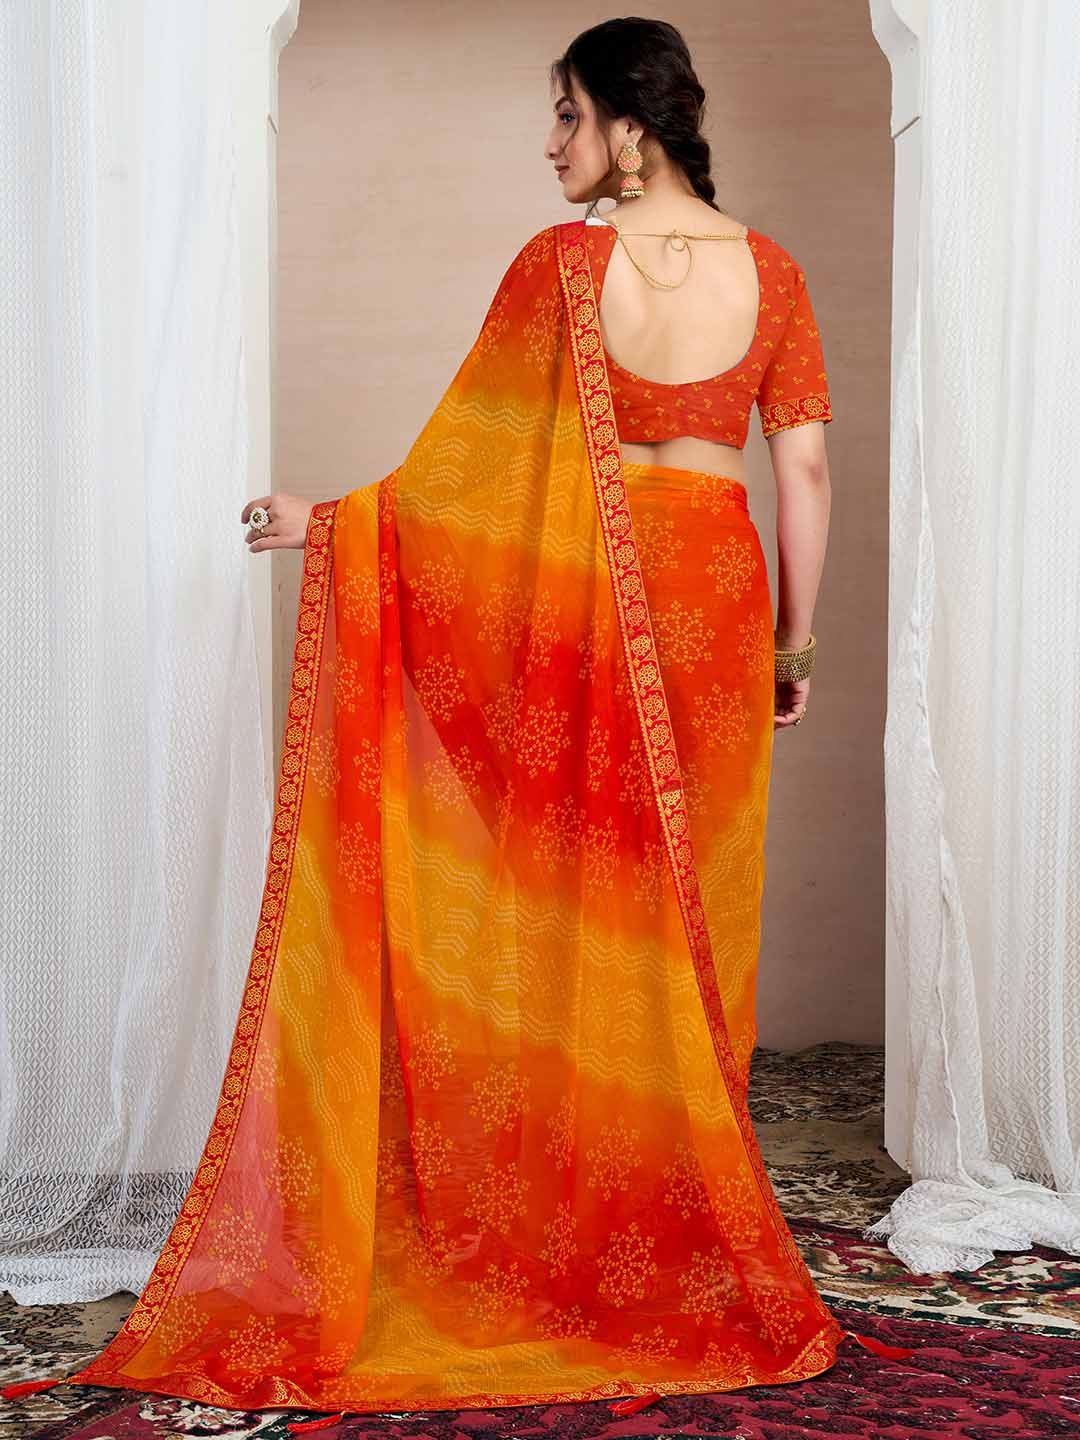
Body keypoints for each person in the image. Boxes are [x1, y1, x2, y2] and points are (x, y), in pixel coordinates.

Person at [3, 16, 910, 1431]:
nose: (551, 146)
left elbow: (466, 486)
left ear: (628, 125)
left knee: (570, 899)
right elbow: (804, 476)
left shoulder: (563, 269)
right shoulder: (775, 270)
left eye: (565, 116)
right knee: (686, 912)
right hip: (715, 598)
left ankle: (561, 1230)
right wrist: (794, 641)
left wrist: (334, 526)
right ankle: (670, 1231)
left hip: (589, 594)